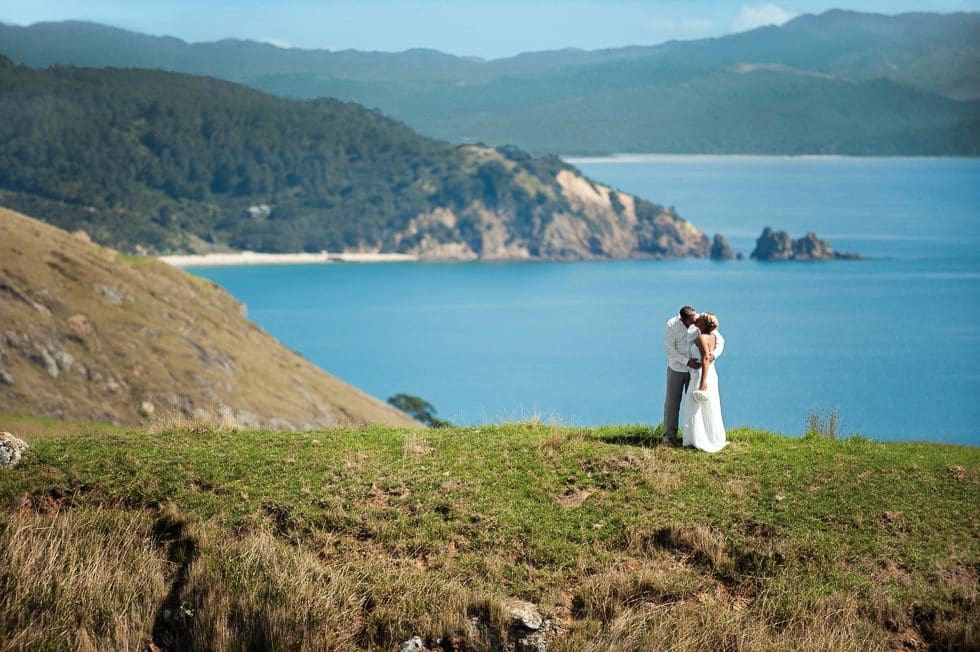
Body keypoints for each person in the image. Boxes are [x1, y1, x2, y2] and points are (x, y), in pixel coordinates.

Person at [662, 306, 724, 446]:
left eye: (696, 319)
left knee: (695, 405)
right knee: (671, 404)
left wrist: (712, 355)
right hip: (677, 369)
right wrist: (687, 361)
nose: (695, 322)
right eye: (692, 320)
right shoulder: (672, 324)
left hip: (696, 372)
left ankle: (694, 437)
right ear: (683, 319)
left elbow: (719, 340)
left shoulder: (700, 321)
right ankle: (669, 438)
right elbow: (669, 349)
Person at [682, 312, 727, 452]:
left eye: (699, 319)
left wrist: (702, 383)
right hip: (710, 374)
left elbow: (706, 358)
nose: (697, 320)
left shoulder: (701, 337)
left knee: (693, 404)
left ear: (704, 323)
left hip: (701, 374)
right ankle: (709, 437)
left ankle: (696, 439)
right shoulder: (713, 337)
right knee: (708, 405)